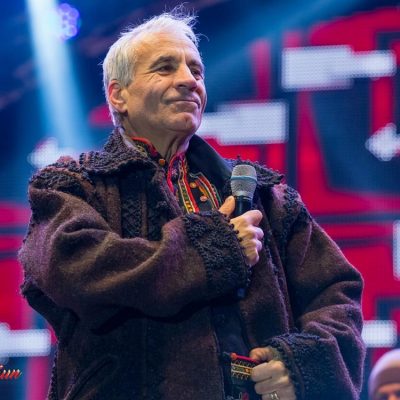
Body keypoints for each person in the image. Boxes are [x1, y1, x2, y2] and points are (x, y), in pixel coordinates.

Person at [19, 9, 365, 400]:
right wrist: (213, 248)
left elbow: (337, 292)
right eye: (165, 68)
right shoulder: (74, 186)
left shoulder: (268, 197)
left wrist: (301, 366)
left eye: (196, 70)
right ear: (118, 95)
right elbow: (80, 271)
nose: (188, 80)